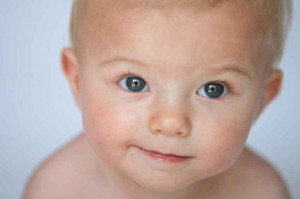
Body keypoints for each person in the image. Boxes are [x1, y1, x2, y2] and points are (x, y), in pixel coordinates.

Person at [23, 0, 293, 198]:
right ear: (77, 81)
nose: (170, 122)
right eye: (134, 83)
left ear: (262, 100)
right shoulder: (56, 189)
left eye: (214, 89)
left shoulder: (262, 191)